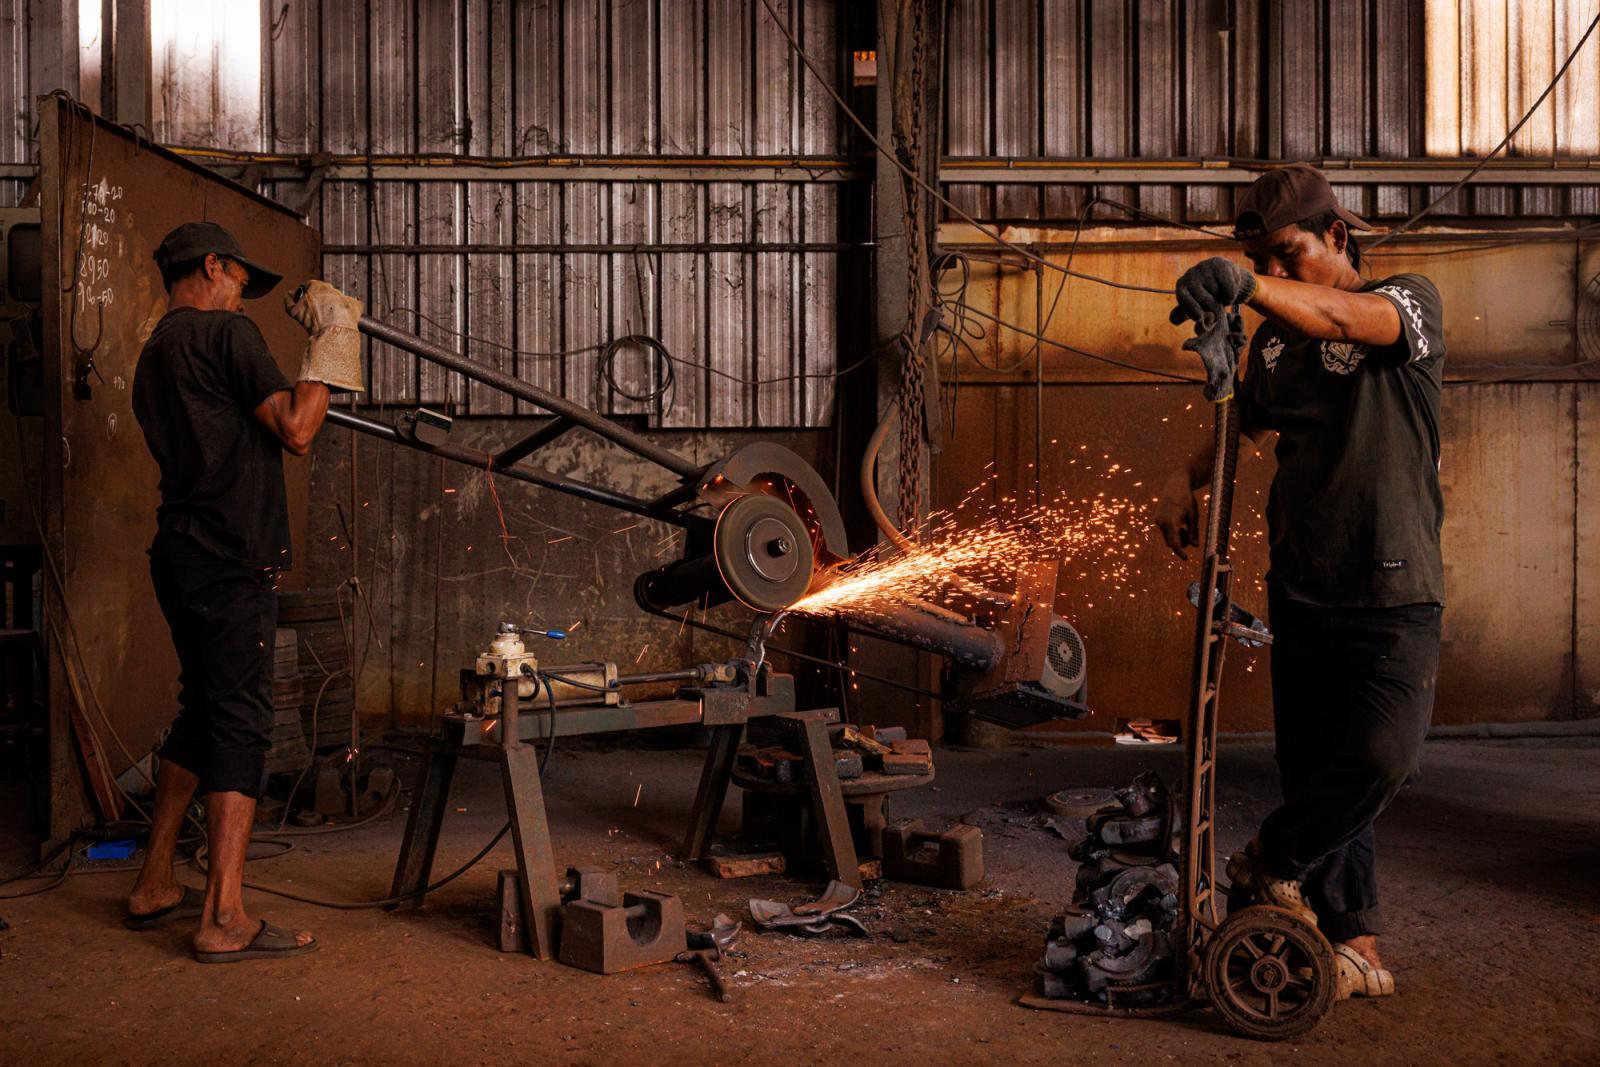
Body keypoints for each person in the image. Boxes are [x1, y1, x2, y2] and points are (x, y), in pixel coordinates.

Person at [1153, 164, 1445, 1001]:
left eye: (1289, 255)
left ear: (1339, 237)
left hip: (1394, 586)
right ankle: (1352, 943)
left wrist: (1253, 287)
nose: (1278, 276)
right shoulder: (1276, 339)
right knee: (1315, 768)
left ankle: (1270, 860)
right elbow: (1243, 420)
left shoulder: (1409, 301)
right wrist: (1183, 477)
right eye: (1263, 262)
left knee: (1382, 756)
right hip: (1304, 583)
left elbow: (1347, 315)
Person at [122, 221, 362, 962]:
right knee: (242, 723)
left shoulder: (154, 355)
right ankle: (223, 914)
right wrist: (331, 341)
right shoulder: (227, 336)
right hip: (231, 558)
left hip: (180, 553)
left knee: (202, 709)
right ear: (214, 266)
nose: (238, 297)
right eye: (235, 281)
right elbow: (297, 427)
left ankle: (155, 881)